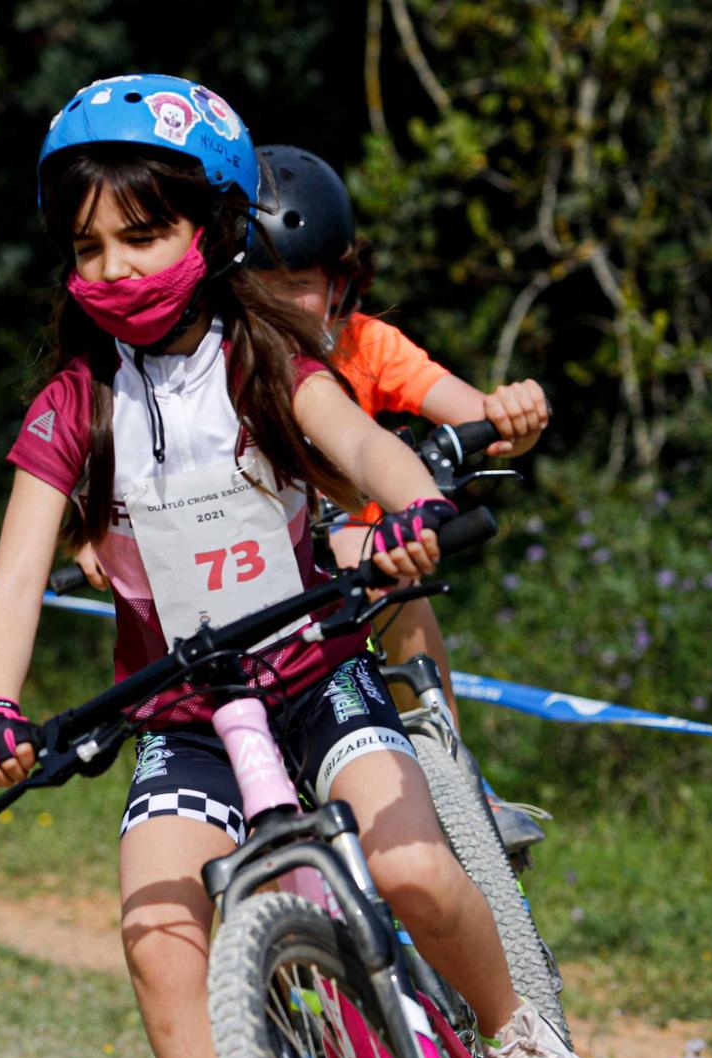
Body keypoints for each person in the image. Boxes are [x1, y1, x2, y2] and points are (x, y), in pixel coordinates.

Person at [0, 74, 612, 1058]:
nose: (113, 267)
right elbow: (11, 576)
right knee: (157, 936)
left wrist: (420, 508)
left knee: (414, 866)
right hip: (185, 719)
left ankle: (521, 1044)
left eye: (143, 234)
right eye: (86, 245)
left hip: (316, 676)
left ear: (210, 231)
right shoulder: (71, 406)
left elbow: (365, 445)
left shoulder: (265, 353)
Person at [73, 144, 551, 724]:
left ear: (340, 285)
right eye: (259, 283)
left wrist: (512, 417)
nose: (279, 304)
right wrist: (94, 535)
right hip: (241, 570)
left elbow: (476, 416)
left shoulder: (366, 346)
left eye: (298, 281)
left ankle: (443, 744)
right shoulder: (203, 367)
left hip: (362, 557)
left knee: (391, 575)